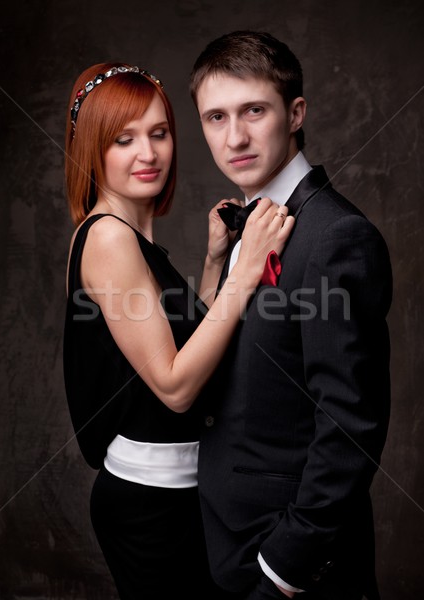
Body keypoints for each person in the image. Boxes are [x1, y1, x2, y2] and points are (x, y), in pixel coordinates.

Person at [63, 62, 294, 600]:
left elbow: (181, 347)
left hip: (181, 493)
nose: (148, 153)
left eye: (159, 133)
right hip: (151, 504)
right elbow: (174, 386)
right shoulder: (107, 239)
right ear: (92, 150)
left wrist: (214, 265)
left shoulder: (131, 240)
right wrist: (245, 271)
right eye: (124, 139)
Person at [189, 31, 392, 600]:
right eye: (215, 117)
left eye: (254, 110)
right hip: (224, 547)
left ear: (295, 112)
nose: (235, 137)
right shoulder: (241, 227)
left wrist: (283, 570)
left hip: (294, 570)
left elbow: (351, 426)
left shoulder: (336, 236)